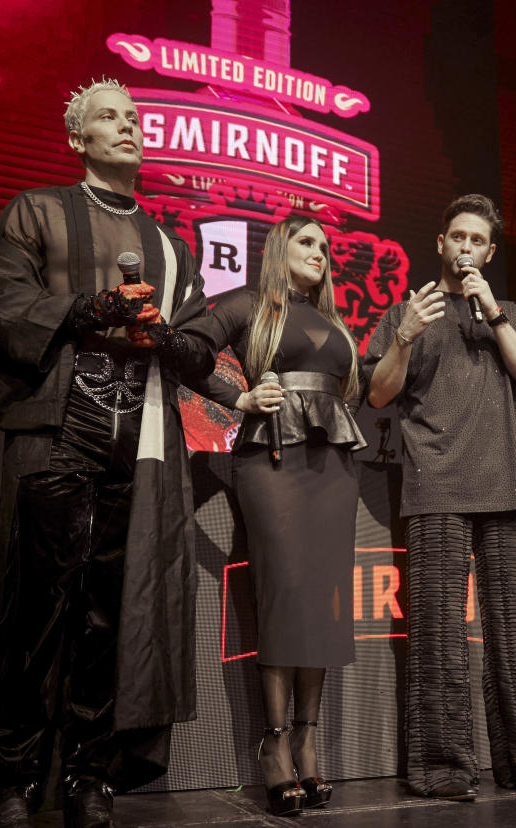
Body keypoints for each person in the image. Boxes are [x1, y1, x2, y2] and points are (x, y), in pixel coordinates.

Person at [0, 79, 213, 828]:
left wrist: (166, 337)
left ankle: (88, 773)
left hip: (138, 447)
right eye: (110, 116)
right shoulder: (36, 210)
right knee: (36, 608)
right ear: (78, 138)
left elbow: (203, 344)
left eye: (135, 117)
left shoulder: (172, 245)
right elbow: (4, 302)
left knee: (110, 615)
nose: (128, 126)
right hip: (59, 433)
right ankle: (10, 779)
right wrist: (87, 308)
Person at [364, 194, 516, 800]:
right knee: (438, 636)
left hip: (507, 486)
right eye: (456, 236)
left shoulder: (507, 310)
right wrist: (405, 337)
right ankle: (442, 770)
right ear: (440, 244)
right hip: (437, 487)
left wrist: (496, 316)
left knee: (514, 634)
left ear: (488, 252)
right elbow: (378, 396)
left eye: (476, 240)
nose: (464, 247)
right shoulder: (406, 313)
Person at [187, 217, 366, 815]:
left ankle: (309, 742)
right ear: (278, 249)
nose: (319, 253)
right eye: (306, 242)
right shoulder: (248, 304)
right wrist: (234, 396)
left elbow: (350, 392)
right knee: (285, 593)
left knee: (322, 599)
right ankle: (274, 744)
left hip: (333, 468)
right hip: (271, 459)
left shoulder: (336, 321)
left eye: (324, 246)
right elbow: (185, 348)